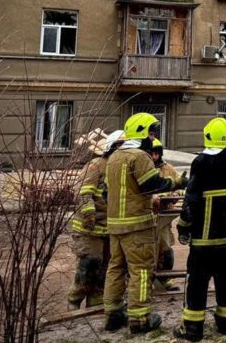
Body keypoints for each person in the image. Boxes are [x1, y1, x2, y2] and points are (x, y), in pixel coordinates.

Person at [102, 113, 188, 334]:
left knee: (116, 268)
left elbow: (105, 192)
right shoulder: (139, 157)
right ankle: (140, 319)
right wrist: (179, 182)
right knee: (141, 270)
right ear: (141, 132)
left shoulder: (114, 157)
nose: (152, 137)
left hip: (115, 226)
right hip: (137, 226)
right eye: (151, 132)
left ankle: (113, 314)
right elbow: (152, 184)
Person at [173, 118, 226, 341]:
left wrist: (183, 227)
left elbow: (191, 200)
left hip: (204, 241)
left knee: (197, 283)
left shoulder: (201, 162)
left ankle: (192, 328)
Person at [67, 130, 124, 310]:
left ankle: (96, 303)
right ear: (113, 148)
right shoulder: (96, 166)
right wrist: (89, 214)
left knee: (106, 269)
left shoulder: (122, 167)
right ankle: (74, 301)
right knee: (90, 264)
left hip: (110, 228)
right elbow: (82, 192)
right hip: (89, 229)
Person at [150, 138, 181, 291]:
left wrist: (172, 196)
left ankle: (166, 279)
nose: (154, 157)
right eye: (151, 153)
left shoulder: (169, 169)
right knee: (147, 250)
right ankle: (147, 280)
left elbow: (180, 187)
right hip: (147, 218)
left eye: (157, 153)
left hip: (164, 219)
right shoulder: (143, 168)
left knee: (166, 248)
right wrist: (154, 200)